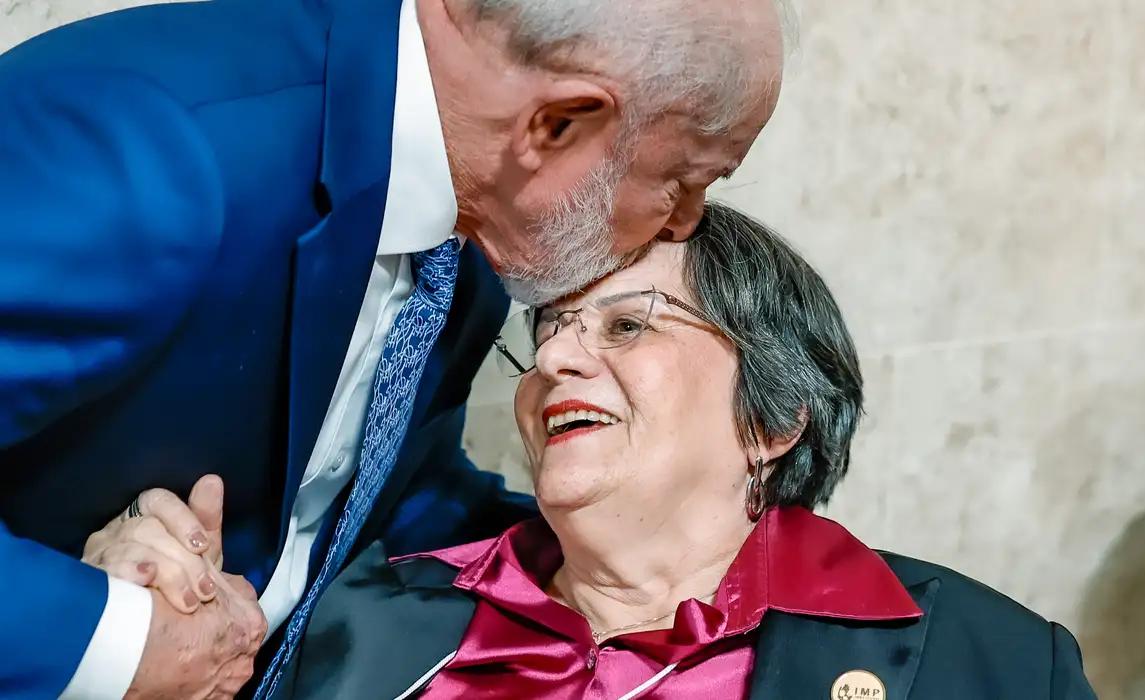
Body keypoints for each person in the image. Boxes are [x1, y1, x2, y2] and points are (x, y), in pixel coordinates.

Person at [0, 0, 789, 696]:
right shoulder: (148, 151)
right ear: (556, 124)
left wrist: (669, 555)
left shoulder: (471, 247)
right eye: (684, 178)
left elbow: (389, 495)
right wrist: (116, 642)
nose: (683, 222)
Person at [251, 202, 1093, 698]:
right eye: (547, 332)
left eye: (626, 325)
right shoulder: (365, 617)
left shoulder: (995, 662)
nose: (554, 358)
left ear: (771, 422)